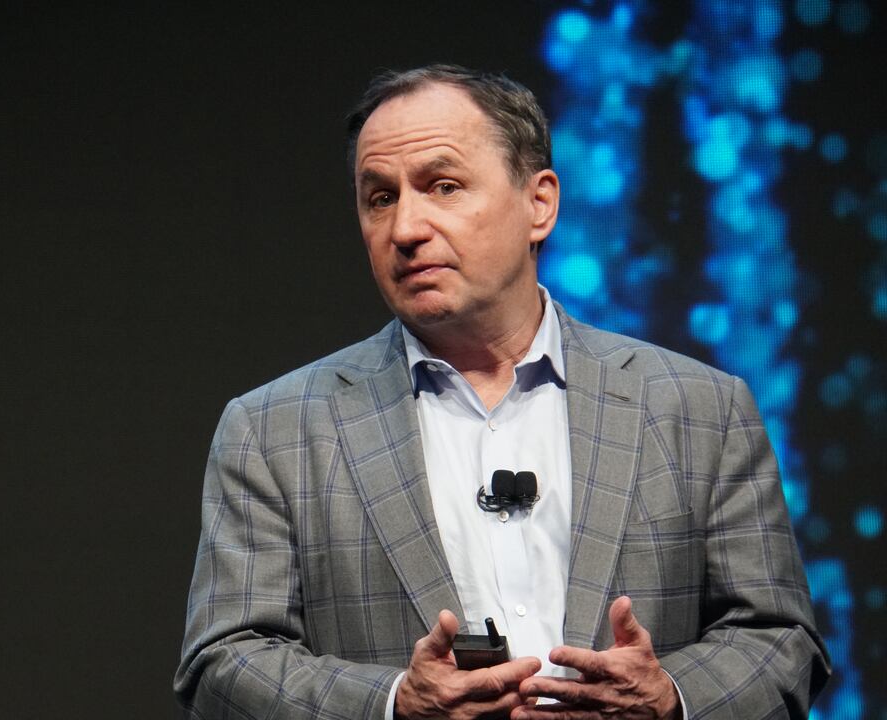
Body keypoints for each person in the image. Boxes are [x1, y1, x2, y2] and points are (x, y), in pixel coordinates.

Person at [175, 64, 829, 719]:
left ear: (538, 203)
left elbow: (780, 639)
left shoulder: (700, 410)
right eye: (379, 197)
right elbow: (222, 664)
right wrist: (393, 704)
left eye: (444, 186)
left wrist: (672, 699)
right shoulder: (274, 430)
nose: (405, 229)